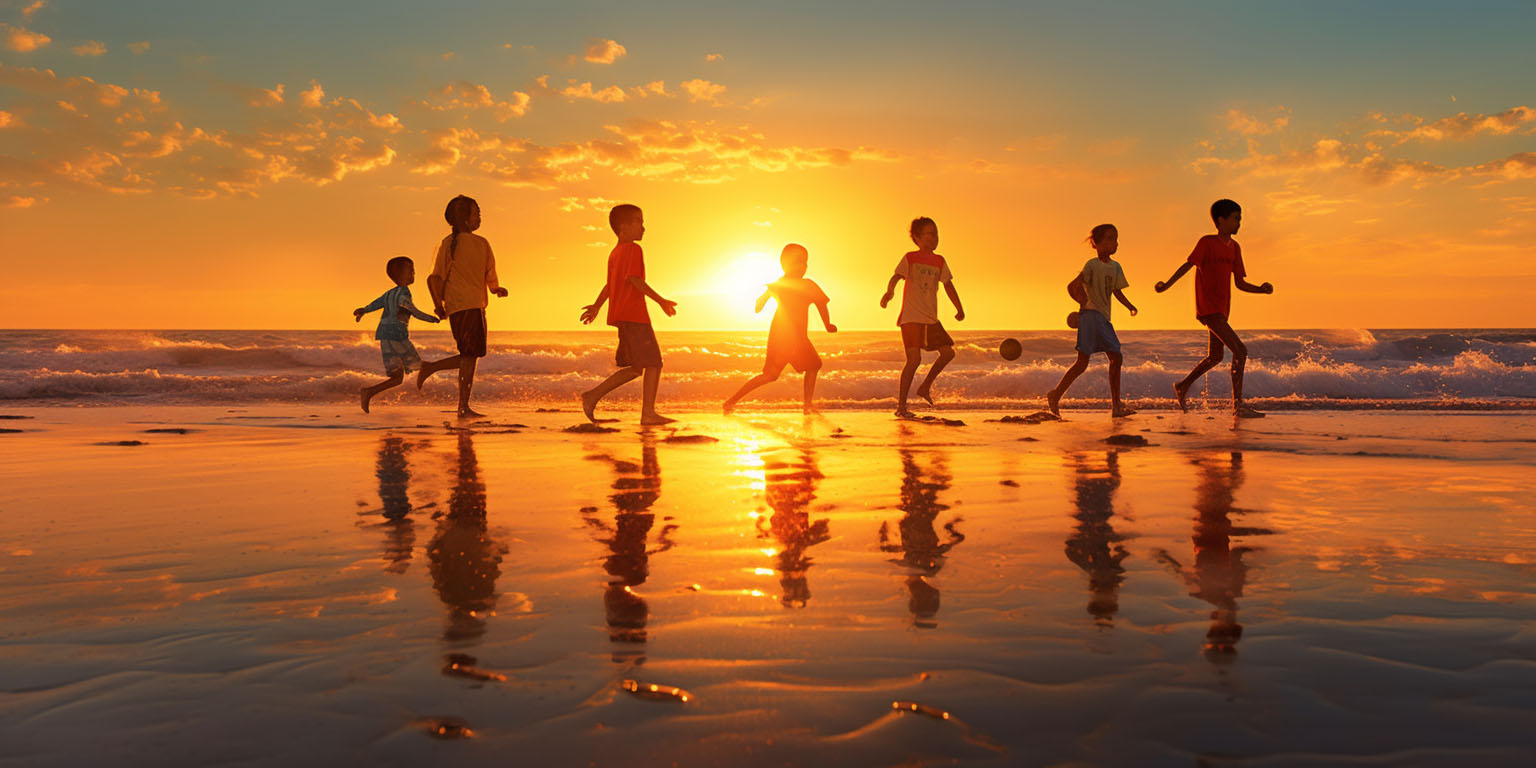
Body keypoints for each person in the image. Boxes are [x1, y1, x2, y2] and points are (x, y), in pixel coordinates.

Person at [1154, 199, 1275, 418]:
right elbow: (1188, 265)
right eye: (1236, 218)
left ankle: (1182, 386)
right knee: (1240, 351)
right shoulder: (1207, 243)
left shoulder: (1235, 248)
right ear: (1221, 220)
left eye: (1240, 219)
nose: (1239, 223)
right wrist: (1166, 285)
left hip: (1223, 309)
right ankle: (1237, 405)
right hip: (1208, 307)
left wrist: (1261, 289)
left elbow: (1239, 283)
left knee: (1216, 356)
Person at [578, 204, 678, 425]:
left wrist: (597, 306)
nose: (643, 227)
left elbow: (610, 285)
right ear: (624, 226)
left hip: (623, 317)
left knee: (636, 367)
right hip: (635, 316)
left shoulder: (614, 253)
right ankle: (648, 413)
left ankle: (593, 396)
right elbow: (635, 280)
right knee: (654, 363)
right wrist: (661, 301)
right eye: (639, 222)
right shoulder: (633, 249)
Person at [417, 195, 508, 418]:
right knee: (469, 356)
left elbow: (436, 278)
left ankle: (462, 405)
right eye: (476, 213)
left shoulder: (456, 243)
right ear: (466, 220)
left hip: (464, 307)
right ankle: (456, 399)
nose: (479, 217)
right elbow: (436, 277)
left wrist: (495, 289)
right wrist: (494, 287)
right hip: (470, 307)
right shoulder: (468, 243)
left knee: (470, 356)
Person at [723, 243, 836, 414]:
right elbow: (762, 300)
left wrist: (828, 324)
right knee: (773, 374)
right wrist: (760, 302)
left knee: (808, 366)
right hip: (783, 336)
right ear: (785, 264)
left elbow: (821, 305)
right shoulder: (781, 284)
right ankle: (732, 401)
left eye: (805, 262)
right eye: (798, 262)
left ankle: (806, 405)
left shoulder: (807, 285)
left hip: (794, 337)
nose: (802, 266)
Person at [1046, 224, 1138, 418]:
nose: (1115, 243)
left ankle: (1055, 395)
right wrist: (1083, 302)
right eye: (1110, 239)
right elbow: (1073, 286)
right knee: (1115, 357)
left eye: (1116, 238)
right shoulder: (1092, 265)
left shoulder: (1115, 267)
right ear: (1096, 243)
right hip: (1091, 317)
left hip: (1102, 318)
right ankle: (1116, 406)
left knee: (1086, 362)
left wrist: (1129, 306)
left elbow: (1116, 291)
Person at [880, 216, 965, 418]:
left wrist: (959, 308)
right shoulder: (910, 258)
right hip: (910, 317)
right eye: (929, 233)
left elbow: (948, 285)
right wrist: (889, 292)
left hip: (930, 318)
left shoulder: (939, 261)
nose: (934, 238)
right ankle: (901, 406)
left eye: (936, 234)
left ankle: (925, 386)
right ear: (917, 238)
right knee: (914, 359)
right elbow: (896, 277)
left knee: (948, 353)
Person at [354, 256, 440, 413]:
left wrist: (364, 310)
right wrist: (432, 319)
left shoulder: (389, 293)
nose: (414, 273)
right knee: (417, 365)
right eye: (410, 270)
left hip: (384, 335)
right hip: (396, 335)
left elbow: (376, 303)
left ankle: (368, 392)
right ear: (400, 275)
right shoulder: (403, 293)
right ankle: (427, 390)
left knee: (397, 377)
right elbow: (413, 311)